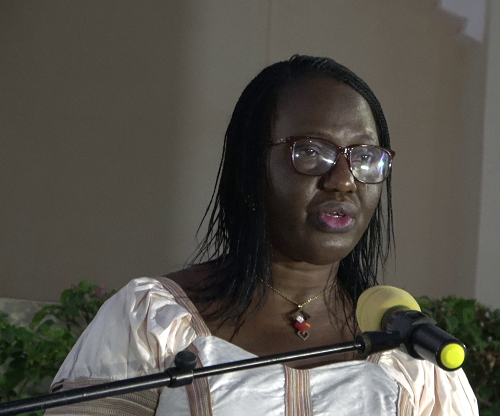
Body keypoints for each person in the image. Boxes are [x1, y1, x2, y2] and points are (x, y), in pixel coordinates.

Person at [46, 55, 478, 415]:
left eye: (365, 157)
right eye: (311, 152)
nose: (344, 180)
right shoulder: (153, 321)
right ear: (251, 167)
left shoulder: (412, 353)